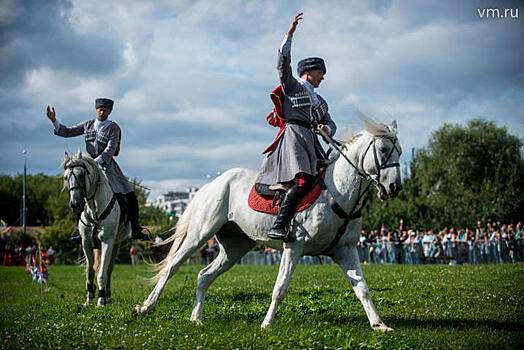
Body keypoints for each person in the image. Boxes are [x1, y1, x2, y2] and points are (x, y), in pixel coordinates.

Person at [256, 13, 337, 240]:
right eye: (321, 73)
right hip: (294, 137)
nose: (323, 78)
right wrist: (289, 34)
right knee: (303, 180)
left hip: (312, 140)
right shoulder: (292, 86)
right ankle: (279, 226)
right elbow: (283, 65)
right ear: (308, 72)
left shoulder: (320, 101)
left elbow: (331, 122)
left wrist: (326, 130)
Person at [46, 99, 150, 241]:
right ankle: (80, 229)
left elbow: (110, 150)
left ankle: (135, 229)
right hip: (89, 164)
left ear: (109, 112)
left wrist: (95, 163)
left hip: (107, 166)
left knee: (130, 195)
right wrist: (54, 121)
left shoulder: (114, 128)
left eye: (105, 110)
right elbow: (67, 132)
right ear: (96, 110)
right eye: (100, 109)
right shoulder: (87, 124)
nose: (102, 112)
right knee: (77, 192)